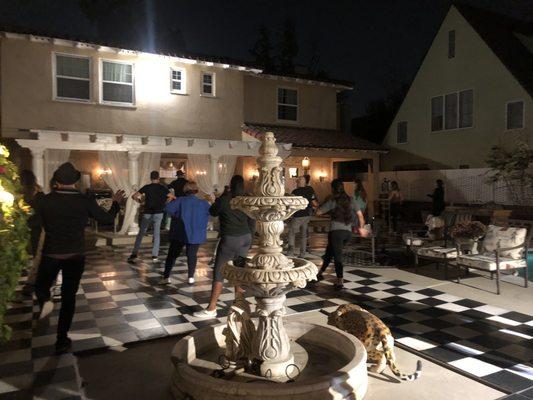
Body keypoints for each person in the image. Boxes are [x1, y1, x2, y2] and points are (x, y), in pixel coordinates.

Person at [35, 162, 125, 354]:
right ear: (76, 181)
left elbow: (35, 222)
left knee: (41, 287)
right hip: (75, 255)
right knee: (69, 297)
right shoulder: (84, 201)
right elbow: (106, 219)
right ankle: (61, 340)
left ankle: (45, 301)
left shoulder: (44, 200)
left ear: (57, 180)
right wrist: (116, 202)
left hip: (51, 253)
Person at [194, 175, 254, 319]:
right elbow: (253, 221)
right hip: (245, 238)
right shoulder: (246, 200)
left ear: (230, 185)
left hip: (230, 239)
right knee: (239, 272)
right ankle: (239, 307)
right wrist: (250, 239)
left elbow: (213, 212)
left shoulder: (225, 199)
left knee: (219, 273)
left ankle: (212, 308)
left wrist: (216, 199)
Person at [316, 179, 367, 290]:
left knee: (337, 257)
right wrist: (361, 228)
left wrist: (324, 208)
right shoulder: (351, 199)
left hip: (336, 233)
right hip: (347, 233)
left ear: (333, 189)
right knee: (329, 252)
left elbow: (318, 212)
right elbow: (360, 216)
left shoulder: (333, 201)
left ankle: (340, 281)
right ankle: (320, 273)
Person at [161, 181, 210, 285]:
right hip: (195, 233)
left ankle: (166, 276)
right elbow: (211, 213)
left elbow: (167, 209)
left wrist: (176, 215)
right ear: (196, 190)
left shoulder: (180, 200)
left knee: (172, 255)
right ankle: (191, 277)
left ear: (185, 190)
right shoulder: (203, 203)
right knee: (192, 255)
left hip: (180, 232)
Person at [128, 171, 170, 263]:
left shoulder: (147, 187)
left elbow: (134, 196)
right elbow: (172, 197)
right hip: (159, 213)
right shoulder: (163, 188)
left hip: (147, 212)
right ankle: (155, 255)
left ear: (151, 178)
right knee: (156, 234)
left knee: (141, 233)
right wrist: (165, 203)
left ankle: (134, 253)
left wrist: (141, 202)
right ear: (158, 178)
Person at [287, 175, 318, 257]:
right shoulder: (310, 189)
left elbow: (291, 202)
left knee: (291, 232)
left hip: (298, 215)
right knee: (303, 234)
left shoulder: (295, 191)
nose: (298, 181)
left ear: (303, 181)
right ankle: (302, 253)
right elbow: (314, 202)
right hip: (307, 215)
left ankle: (290, 251)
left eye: (299, 179)